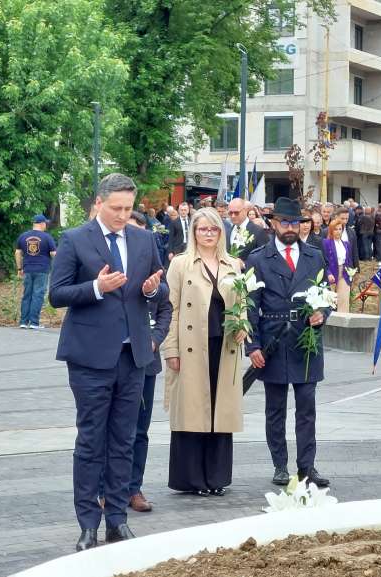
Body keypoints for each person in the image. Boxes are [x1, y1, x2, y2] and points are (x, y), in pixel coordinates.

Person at [48, 173, 166, 552]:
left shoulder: (144, 239)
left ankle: (117, 520)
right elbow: (56, 294)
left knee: (124, 440)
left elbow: (159, 287)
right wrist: (97, 287)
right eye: (116, 208)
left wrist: (152, 288)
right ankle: (88, 524)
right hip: (89, 358)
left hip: (133, 357)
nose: (122, 215)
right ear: (99, 203)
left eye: (129, 209)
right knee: (91, 440)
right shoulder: (75, 239)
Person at [246, 197, 331, 488]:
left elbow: (325, 294)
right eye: (285, 222)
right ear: (273, 224)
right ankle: (280, 465)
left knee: (307, 408)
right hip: (274, 339)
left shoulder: (314, 255)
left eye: (296, 222)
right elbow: (249, 306)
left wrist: (323, 313)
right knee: (276, 409)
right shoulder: (258, 258)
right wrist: (253, 346)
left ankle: (307, 466)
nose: (291, 227)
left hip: (306, 341)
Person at [162, 208, 245, 497]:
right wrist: (170, 348)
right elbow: (169, 310)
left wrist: (243, 325)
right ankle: (192, 478)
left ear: (221, 232)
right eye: (202, 229)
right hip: (191, 346)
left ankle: (216, 477)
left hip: (224, 346)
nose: (208, 234)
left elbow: (241, 303)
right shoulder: (181, 265)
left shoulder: (233, 264)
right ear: (194, 232)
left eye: (213, 229)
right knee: (193, 410)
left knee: (219, 410)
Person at [126, 211, 171, 512]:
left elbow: (166, 304)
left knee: (140, 429)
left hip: (146, 359)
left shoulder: (151, 266)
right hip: (114, 356)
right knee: (114, 428)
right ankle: (106, 488)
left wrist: (156, 338)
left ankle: (134, 488)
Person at [15, 215, 57, 329]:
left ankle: (23, 322)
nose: (46, 226)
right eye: (45, 224)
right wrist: (59, 266)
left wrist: (19, 269)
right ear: (42, 223)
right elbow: (54, 254)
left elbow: (18, 252)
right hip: (42, 270)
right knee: (38, 295)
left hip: (27, 270)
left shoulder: (23, 236)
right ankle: (34, 323)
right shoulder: (47, 237)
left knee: (27, 295)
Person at [322, 210, 359, 314]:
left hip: (344, 273)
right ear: (331, 230)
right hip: (332, 272)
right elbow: (323, 260)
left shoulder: (346, 244)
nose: (338, 231)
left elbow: (350, 260)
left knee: (343, 300)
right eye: (335, 229)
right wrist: (328, 273)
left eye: (340, 229)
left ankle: (342, 324)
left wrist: (353, 272)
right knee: (329, 301)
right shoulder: (326, 243)